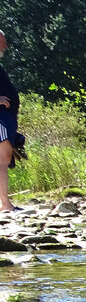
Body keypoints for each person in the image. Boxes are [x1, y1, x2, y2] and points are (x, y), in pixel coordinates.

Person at [0, 29, 19, 212]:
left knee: (3, 159)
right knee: (2, 159)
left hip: (5, 119)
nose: (5, 44)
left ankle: (5, 203)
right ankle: (5, 204)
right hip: (0, 120)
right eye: (2, 41)